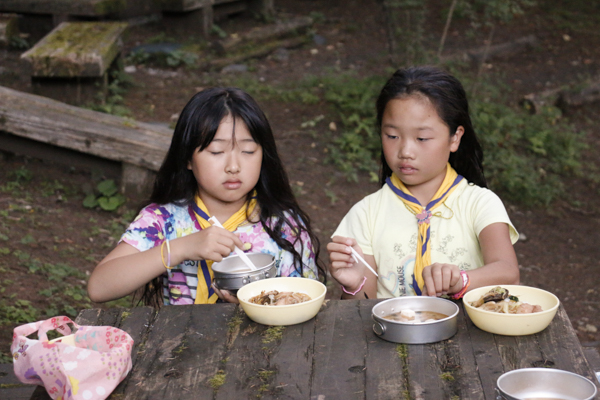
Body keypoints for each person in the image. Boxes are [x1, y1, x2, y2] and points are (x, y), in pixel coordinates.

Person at [88, 87, 325, 307]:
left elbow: (308, 302)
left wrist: (254, 305)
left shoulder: (284, 225)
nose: (233, 166)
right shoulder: (163, 220)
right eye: (216, 151)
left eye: (248, 151)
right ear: (187, 159)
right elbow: (99, 288)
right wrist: (179, 249)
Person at [327, 66, 519, 300]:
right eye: (392, 136)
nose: (406, 151)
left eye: (422, 138)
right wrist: (354, 284)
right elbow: (361, 314)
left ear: (455, 137)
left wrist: (461, 280)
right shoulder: (365, 214)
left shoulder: (480, 203)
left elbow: (508, 273)